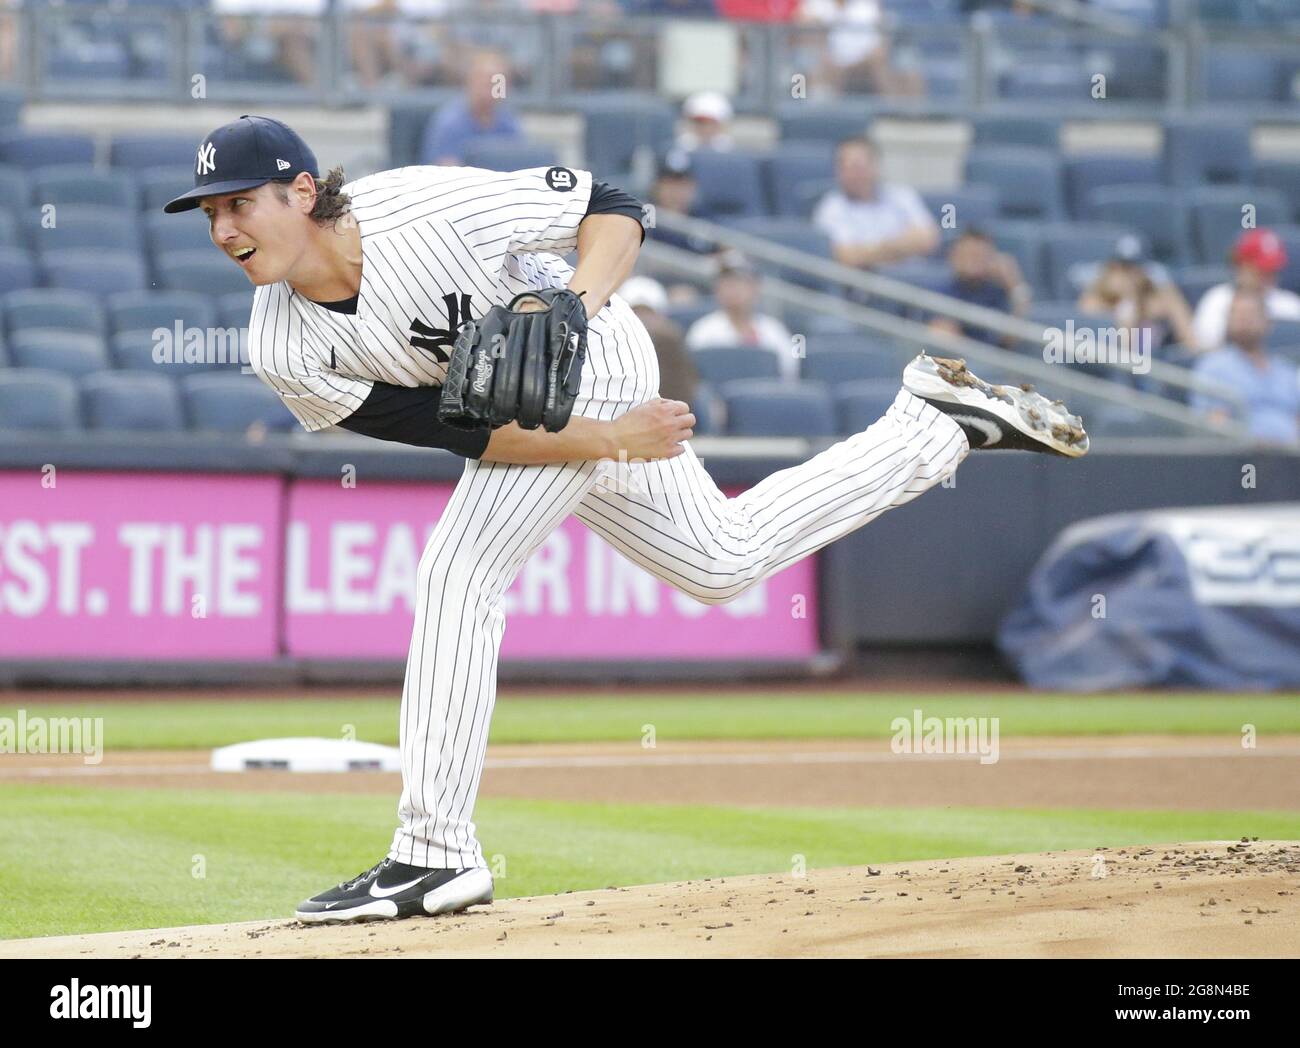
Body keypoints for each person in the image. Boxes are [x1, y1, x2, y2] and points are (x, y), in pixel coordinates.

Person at [164, 114, 1088, 926]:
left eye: (237, 203)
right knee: (721, 560)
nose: (223, 228)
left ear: (302, 190)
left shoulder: (424, 208)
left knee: (459, 571)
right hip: (561, 418)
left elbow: (612, 204)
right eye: (209, 213)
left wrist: (577, 301)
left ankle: (436, 850)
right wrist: (608, 439)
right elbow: (474, 440)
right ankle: (932, 427)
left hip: (599, 347)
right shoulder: (281, 344)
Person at [812, 136, 940, 270]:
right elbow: (848, 257)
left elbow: (929, 239)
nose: (855, 174)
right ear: (838, 171)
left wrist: (871, 250)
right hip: (863, 286)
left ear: (875, 166)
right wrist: (904, 245)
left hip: (912, 281)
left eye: (860, 167)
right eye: (848, 168)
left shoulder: (902, 195)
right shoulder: (830, 208)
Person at [1191, 289, 1299, 446]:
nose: (1243, 320)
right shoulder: (1214, 366)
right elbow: (1215, 424)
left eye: (1251, 314)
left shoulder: (1287, 371)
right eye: (1237, 314)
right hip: (1244, 459)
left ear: (1268, 322)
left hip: (1292, 459)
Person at [686, 252, 798, 380]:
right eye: (727, 283)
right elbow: (694, 380)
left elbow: (789, 376)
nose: (734, 289)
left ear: (756, 288)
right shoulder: (703, 331)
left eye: (741, 282)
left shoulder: (774, 331)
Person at [1078, 235, 1198, 353]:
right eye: (1121, 268)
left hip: (1154, 364)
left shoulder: (1161, 296)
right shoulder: (1094, 298)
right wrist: (1125, 308)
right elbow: (1121, 353)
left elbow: (1191, 341)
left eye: (1134, 269)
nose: (1128, 276)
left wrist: (1139, 306)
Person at [1192, 229, 1300, 353]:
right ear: (1240, 266)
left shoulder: (1291, 304)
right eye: (1262, 271)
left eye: (1273, 270)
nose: (1269, 277)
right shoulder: (1218, 300)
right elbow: (1205, 353)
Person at [418, 47, 523, 166]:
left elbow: (516, 162)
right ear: (471, 81)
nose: (492, 88)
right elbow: (444, 170)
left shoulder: (507, 121)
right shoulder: (450, 122)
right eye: (486, 81)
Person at [927, 228, 1030, 345]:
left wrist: (1014, 284)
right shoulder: (941, 291)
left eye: (979, 256)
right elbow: (940, 335)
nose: (972, 262)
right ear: (954, 256)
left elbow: (1009, 340)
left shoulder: (997, 292)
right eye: (967, 255)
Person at [618, 275, 699, 405]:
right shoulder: (611, 340)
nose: (642, 320)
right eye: (636, 312)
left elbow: (682, 392)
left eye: (648, 313)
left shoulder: (670, 342)